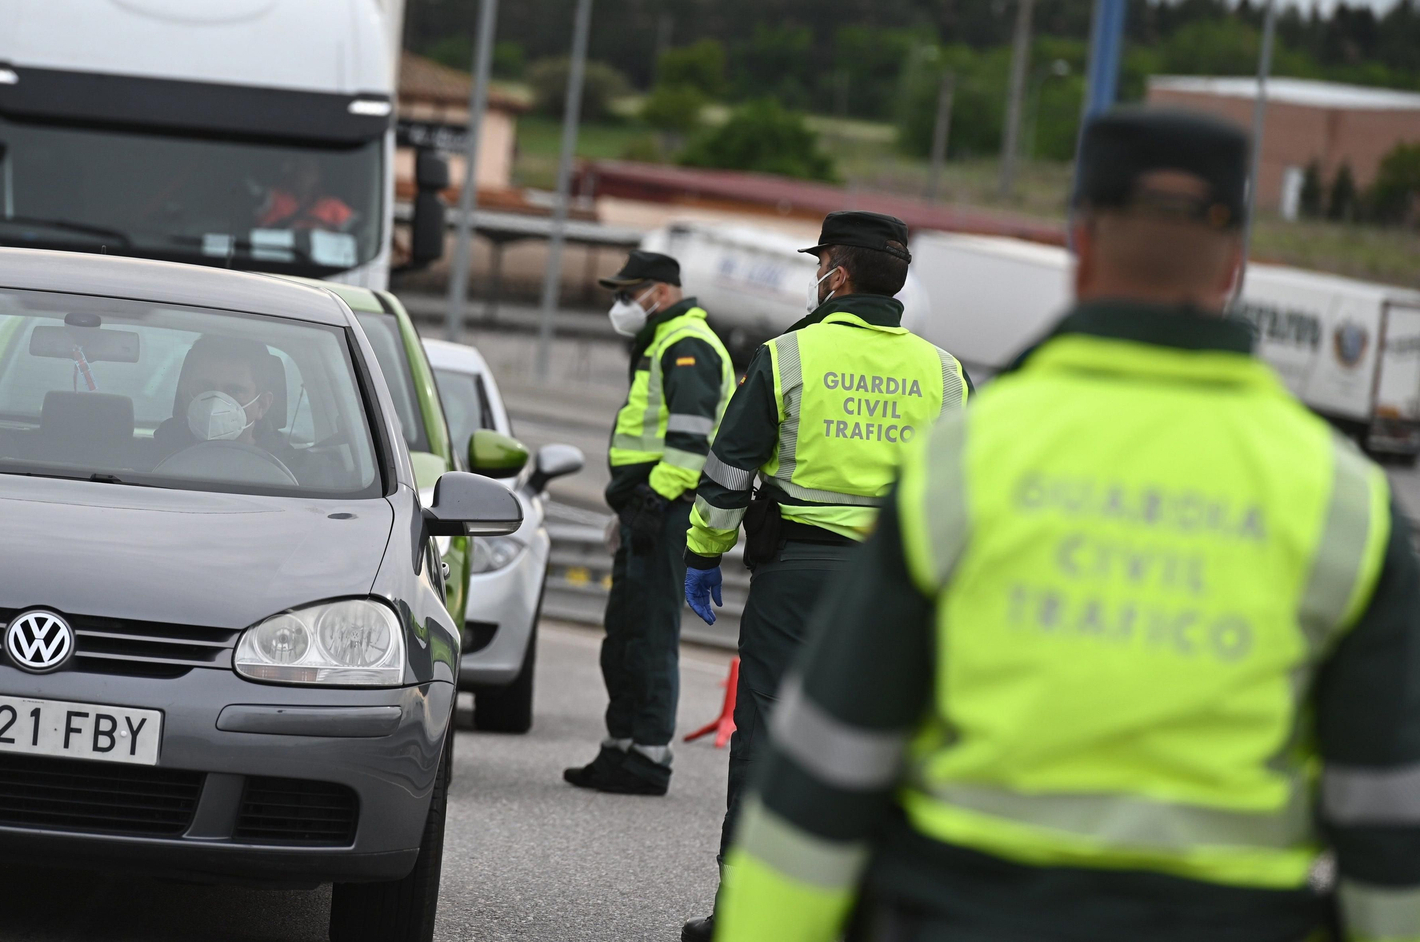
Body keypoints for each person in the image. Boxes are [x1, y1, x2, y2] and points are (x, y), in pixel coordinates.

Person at [716, 107, 1420, 942]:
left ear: (1080, 245)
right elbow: (1389, 822)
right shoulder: (1346, 501)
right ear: (1234, 265)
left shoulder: (965, 465)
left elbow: (831, 764)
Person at [678, 211, 968, 942]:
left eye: (820, 262)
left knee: (769, 736)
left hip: (799, 575)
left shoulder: (787, 356)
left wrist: (704, 552)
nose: (816, 275)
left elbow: (728, 471)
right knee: (886, 742)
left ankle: (745, 913)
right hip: (898, 585)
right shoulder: (945, 372)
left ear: (837, 271)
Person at [563, 250, 735, 796]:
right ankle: (621, 745)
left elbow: (689, 442)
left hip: (666, 508)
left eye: (627, 293)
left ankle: (649, 755)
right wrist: (634, 507)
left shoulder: (687, 345)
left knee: (650, 633)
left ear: (659, 293)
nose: (621, 304)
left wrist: (652, 502)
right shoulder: (662, 341)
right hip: (647, 507)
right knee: (625, 632)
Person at [152, 335, 299, 472]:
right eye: (204, 387)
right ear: (185, 394)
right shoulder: (148, 462)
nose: (215, 403)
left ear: (262, 404)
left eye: (234, 391)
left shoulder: (295, 476)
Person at [256, 155, 355, 232]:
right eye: (298, 169)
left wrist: (323, 228)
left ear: (317, 176)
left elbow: (358, 231)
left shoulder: (332, 206)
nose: (301, 175)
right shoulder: (271, 198)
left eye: (307, 170)